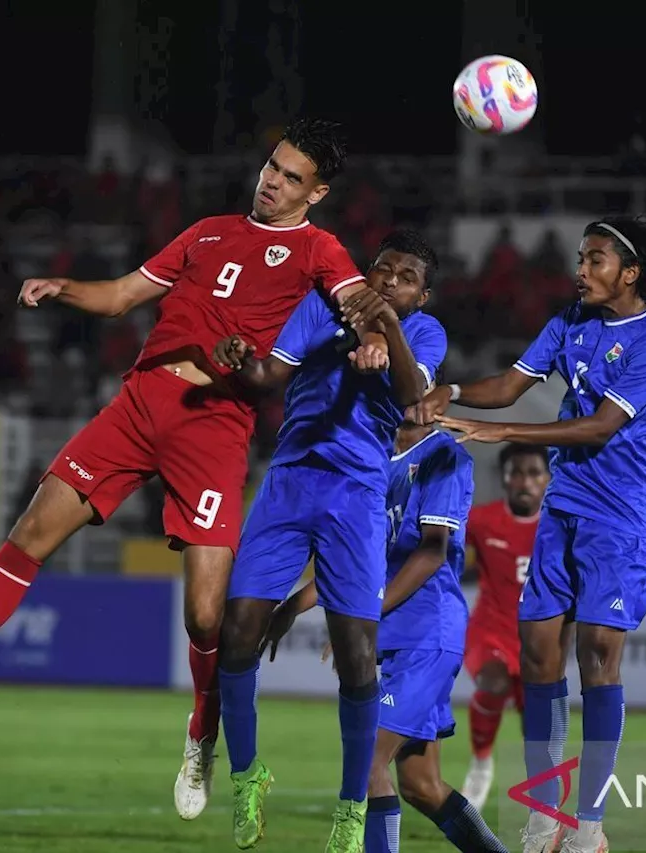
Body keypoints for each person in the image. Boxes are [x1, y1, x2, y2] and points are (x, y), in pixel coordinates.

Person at [0, 118, 387, 822]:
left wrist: (377, 337)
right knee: (32, 530)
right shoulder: (204, 232)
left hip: (215, 424)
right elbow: (119, 294)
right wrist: (62, 287)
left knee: (205, 613)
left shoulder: (318, 248)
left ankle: (202, 733)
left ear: (315, 192)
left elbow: (359, 301)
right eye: (271, 165)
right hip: (141, 401)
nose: (272, 179)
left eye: (291, 176)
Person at [392, 215, 646, 853]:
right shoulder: (568, 322)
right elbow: (508, 387)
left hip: (621, 519)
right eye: (581, 259)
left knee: (597, 659)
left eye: (594, 260)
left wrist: (502, 434)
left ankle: (589, 823)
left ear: (630, 272)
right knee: (537, 656)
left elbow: (599, 428)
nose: (580, 270)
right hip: (565, 510)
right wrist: (448, 392)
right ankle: (545, 815)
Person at [210, 229, 446, 851]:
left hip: (357, 498)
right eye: (382, 270)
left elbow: (411, 396)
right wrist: (241, 357)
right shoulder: (321, 307)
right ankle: (247, 775)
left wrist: (386, 330)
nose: (390, 279)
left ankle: (349, 808)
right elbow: (268, 373)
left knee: (355, 657)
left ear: (423, 295)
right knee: (236, 632)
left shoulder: (424, 333)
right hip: (289, 482)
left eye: (406, 277)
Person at [263, 420, 510, 853]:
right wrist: (292, 607)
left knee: (367, 759)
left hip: (428, 634)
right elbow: (358, 560)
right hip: (402, 643)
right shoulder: (377, 463)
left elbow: (433, 552)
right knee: (422, 786)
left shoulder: (443, 456)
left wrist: (365, 620)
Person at [460, 442, 551, 811]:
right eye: (517, 473)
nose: (525, 481)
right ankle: (481, 765)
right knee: (492, 682)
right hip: (490, 630)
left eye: (534, 473)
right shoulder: (482, 520)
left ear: (547, 479)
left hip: (538, 640)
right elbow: (441, 546)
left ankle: (536, 792)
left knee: (534, 722)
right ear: (505, 478)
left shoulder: (558, 527)